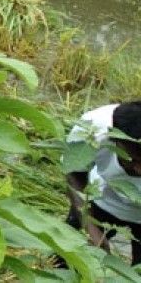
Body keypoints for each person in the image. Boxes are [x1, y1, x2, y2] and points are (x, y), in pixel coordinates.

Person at [65, 101, 141, 265]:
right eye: (133, 159)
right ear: (113, 138)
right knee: (69, 259)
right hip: (101, 198)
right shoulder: (92, 129)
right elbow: (73, 172)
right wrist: (91, 229)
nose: (139, 170)